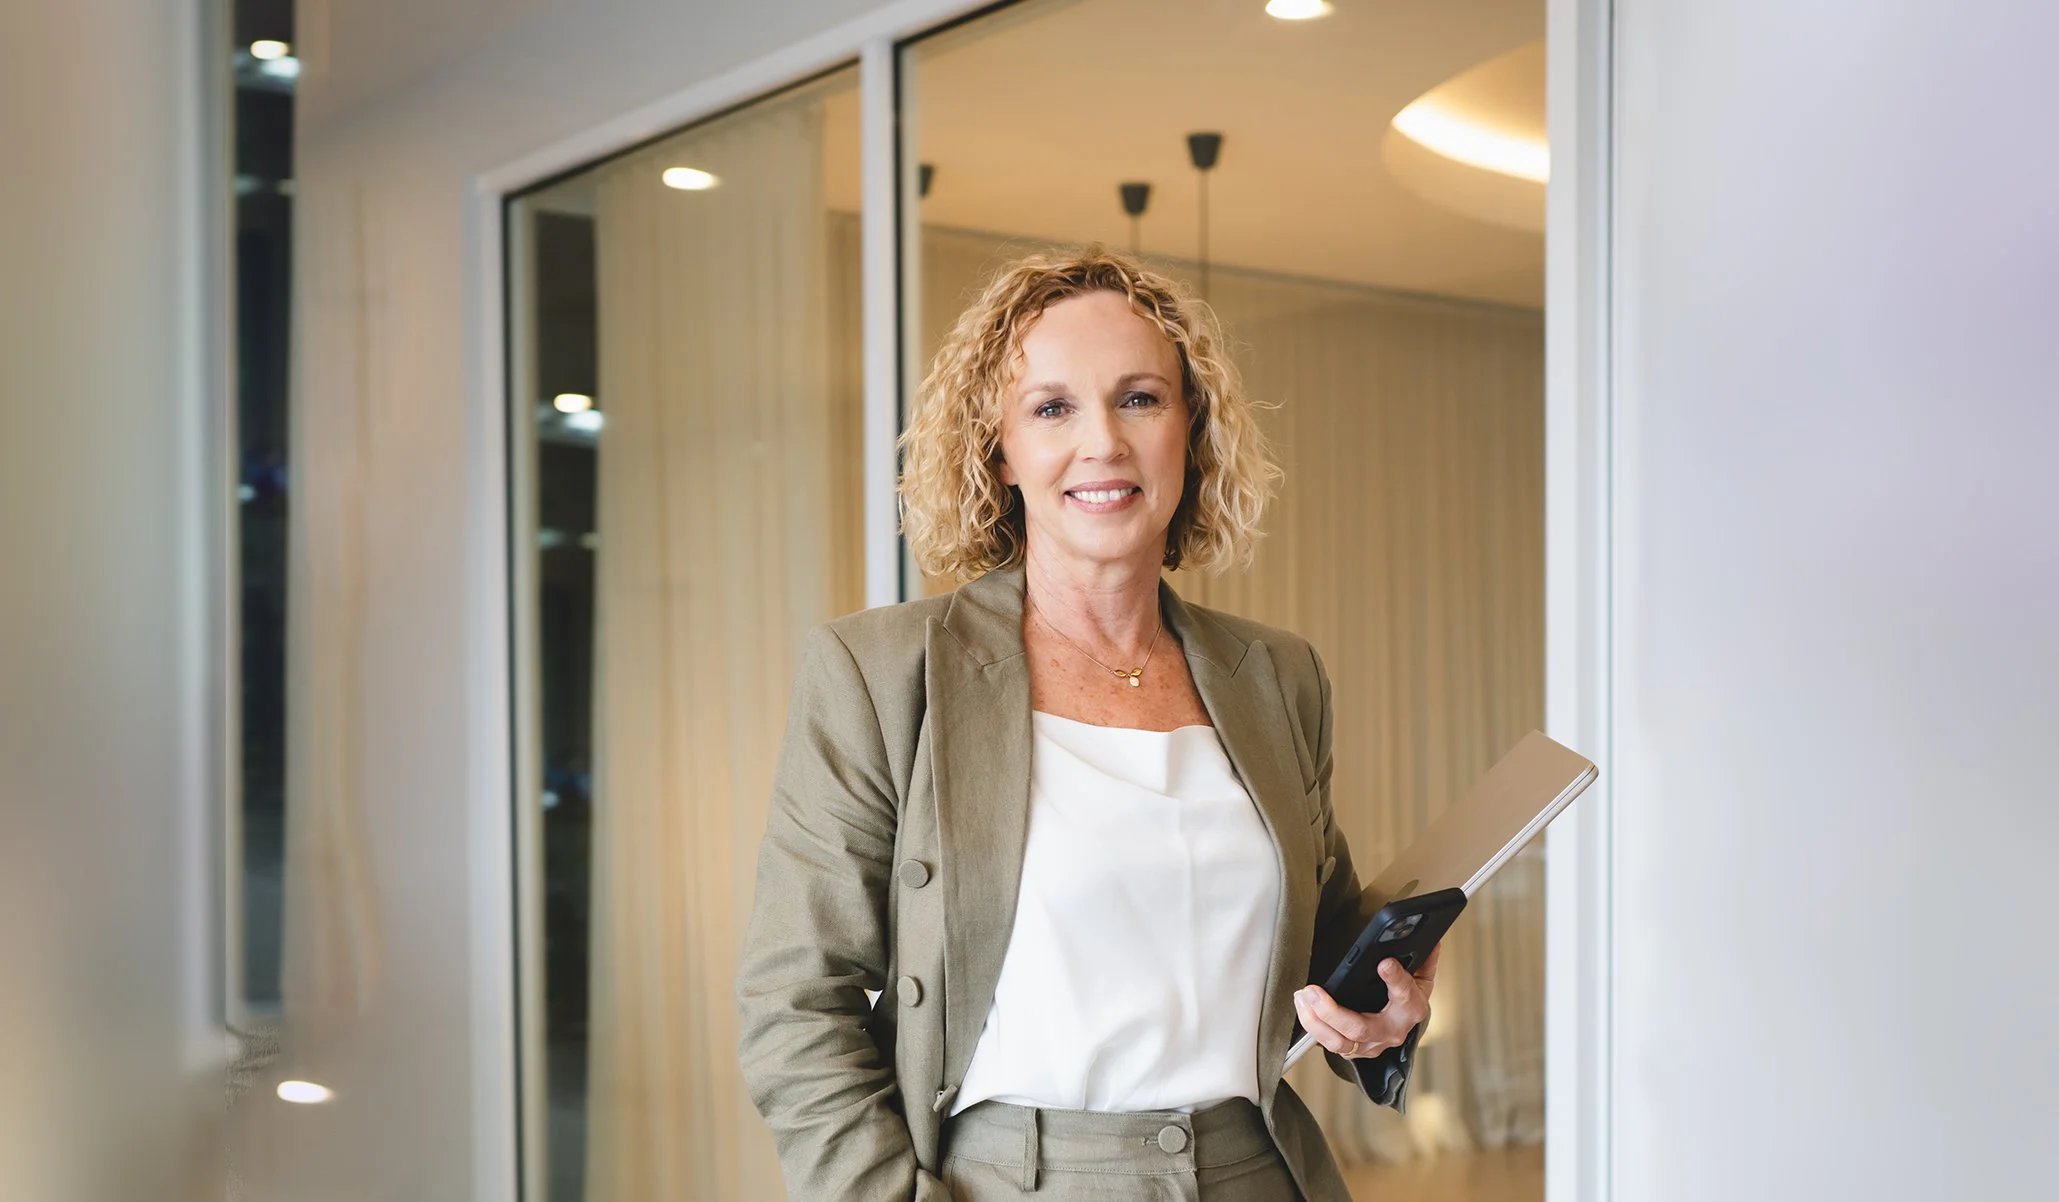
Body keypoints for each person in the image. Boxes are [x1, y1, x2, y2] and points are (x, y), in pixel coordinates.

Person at [737, 248, 1439, 1201]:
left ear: (1190, 434)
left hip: (1260, 1172)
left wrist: (1384, 1010)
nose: (1102, 442)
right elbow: (796, 1005)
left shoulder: (1277, 675)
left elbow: (1321, 951)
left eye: (1140, 399)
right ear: (1000, 448)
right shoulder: (881, 673)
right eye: (1053, 407)